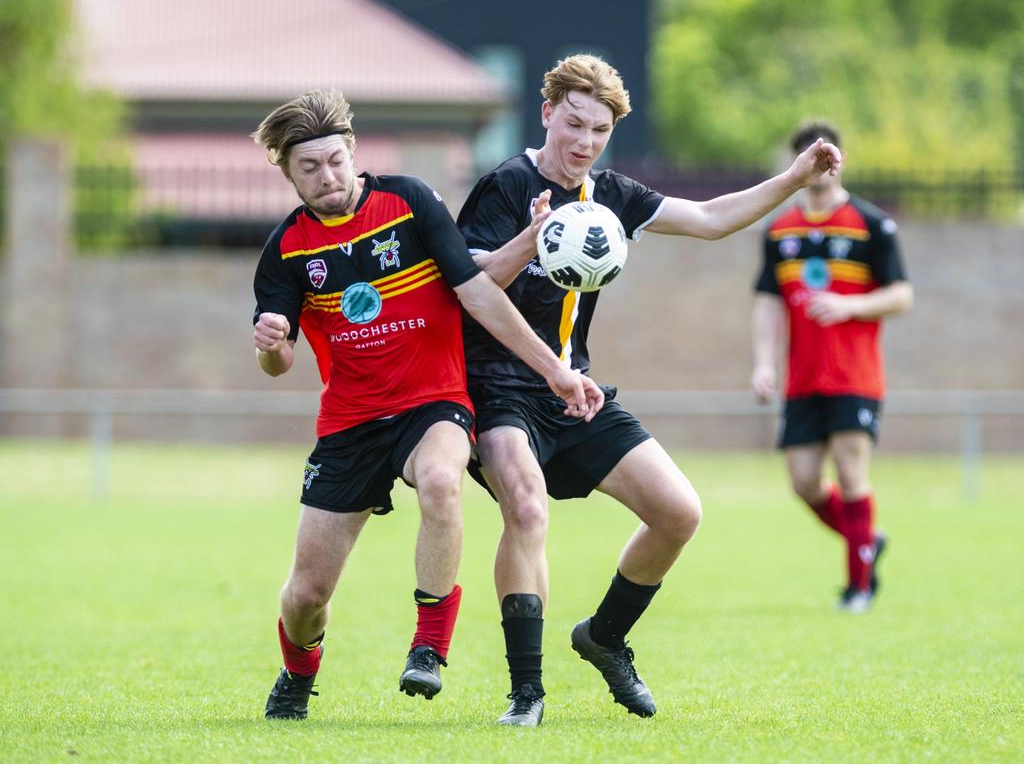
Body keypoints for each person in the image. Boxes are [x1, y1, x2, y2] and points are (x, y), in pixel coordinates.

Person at [455, 54, 842, 726]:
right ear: (546, 114)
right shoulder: (503, 185)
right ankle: (527, 694)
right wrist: (532, 241)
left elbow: (713, 218)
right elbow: (473, 285)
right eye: (574, 123)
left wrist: (795, 176)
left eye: (599, 130)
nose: (584, 141)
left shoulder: (611, 195)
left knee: (678, 513)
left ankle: (603, 638)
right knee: (526, 506)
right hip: (498, 389)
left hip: (574, 393)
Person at [251, 89, 604, 720]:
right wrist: (272, 345)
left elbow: (480, 293)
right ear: (287, 172)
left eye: (336, 160)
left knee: (442, 480)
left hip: (433, 401)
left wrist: (555, 369)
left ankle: (428, 649)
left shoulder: (408, 201)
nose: (327, 176)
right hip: (350, 423)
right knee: (305, 596)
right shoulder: (287, 249)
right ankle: (297, 676)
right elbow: (278, 363)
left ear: (352, 152)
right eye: (310, 167)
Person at [751, 121, 913, 613]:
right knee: (803, 481)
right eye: (808, 154)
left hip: (854, 377)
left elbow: (902, 295)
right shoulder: (779, 231)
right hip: (802, 379)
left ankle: (858, 587)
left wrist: (849, 308)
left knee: (851, 473)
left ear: (840, 160)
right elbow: (766, 301)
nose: (819, 163)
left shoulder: (872, 224)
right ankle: (865, 539)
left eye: (827, 155)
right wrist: (763, 364)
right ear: (797, 161)